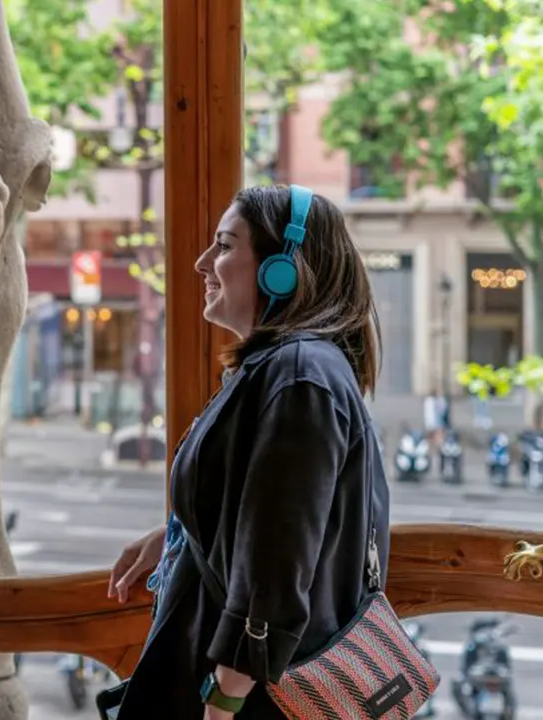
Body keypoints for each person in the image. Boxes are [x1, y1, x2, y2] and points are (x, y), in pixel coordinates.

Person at [105, 185, 389, 718]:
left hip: (252, 700)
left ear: (282, 268)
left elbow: (278, 561)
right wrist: (184, 532)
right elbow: (263, 506)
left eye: (225, 245)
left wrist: (224, 697)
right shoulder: (283, 368)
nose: (201, 262)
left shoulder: (301, 375)